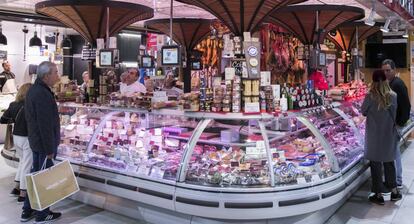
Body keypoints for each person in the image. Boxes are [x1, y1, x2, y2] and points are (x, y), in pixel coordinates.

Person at [21, 61, 61, 223]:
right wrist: (50, 148)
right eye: (56, 73)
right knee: (44, 180)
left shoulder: (34, 90)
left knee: (36, 176)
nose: (58, 76)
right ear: (46, 76)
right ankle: (42, 214)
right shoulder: (42, 94)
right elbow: (44, 124)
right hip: (44, 145)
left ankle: (27, 210)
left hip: (36, 142)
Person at [362, 70, 402, 205]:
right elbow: (395, 113)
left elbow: (363, 111)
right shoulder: (393, 95)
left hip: (374, 135)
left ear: (373, 81)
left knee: (376, 164)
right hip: (389, 134)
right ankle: (394, 192)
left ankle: (378, 195)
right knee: (389, 162)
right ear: (385, 80)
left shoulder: (369, 96)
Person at [0, 83, 32, 204]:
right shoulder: (30, 106)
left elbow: (2, 119)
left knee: (23, 162)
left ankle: (16, 187)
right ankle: (23, 193)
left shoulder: (13, 104)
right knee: (27, 164)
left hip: (16, 136)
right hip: (27, 137)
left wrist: (14, 120)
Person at [382, 59, 411, 189]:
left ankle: (397, 180)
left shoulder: (397, 84)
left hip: (396, 125)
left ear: (394, 70)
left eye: (388, 70)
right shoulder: (389, 83)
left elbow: (406, 106)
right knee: (393, 151)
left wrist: (399, 124)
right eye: (383, 71)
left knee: (394, 152)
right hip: (392, 124)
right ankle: (393, 179)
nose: (386, 73)